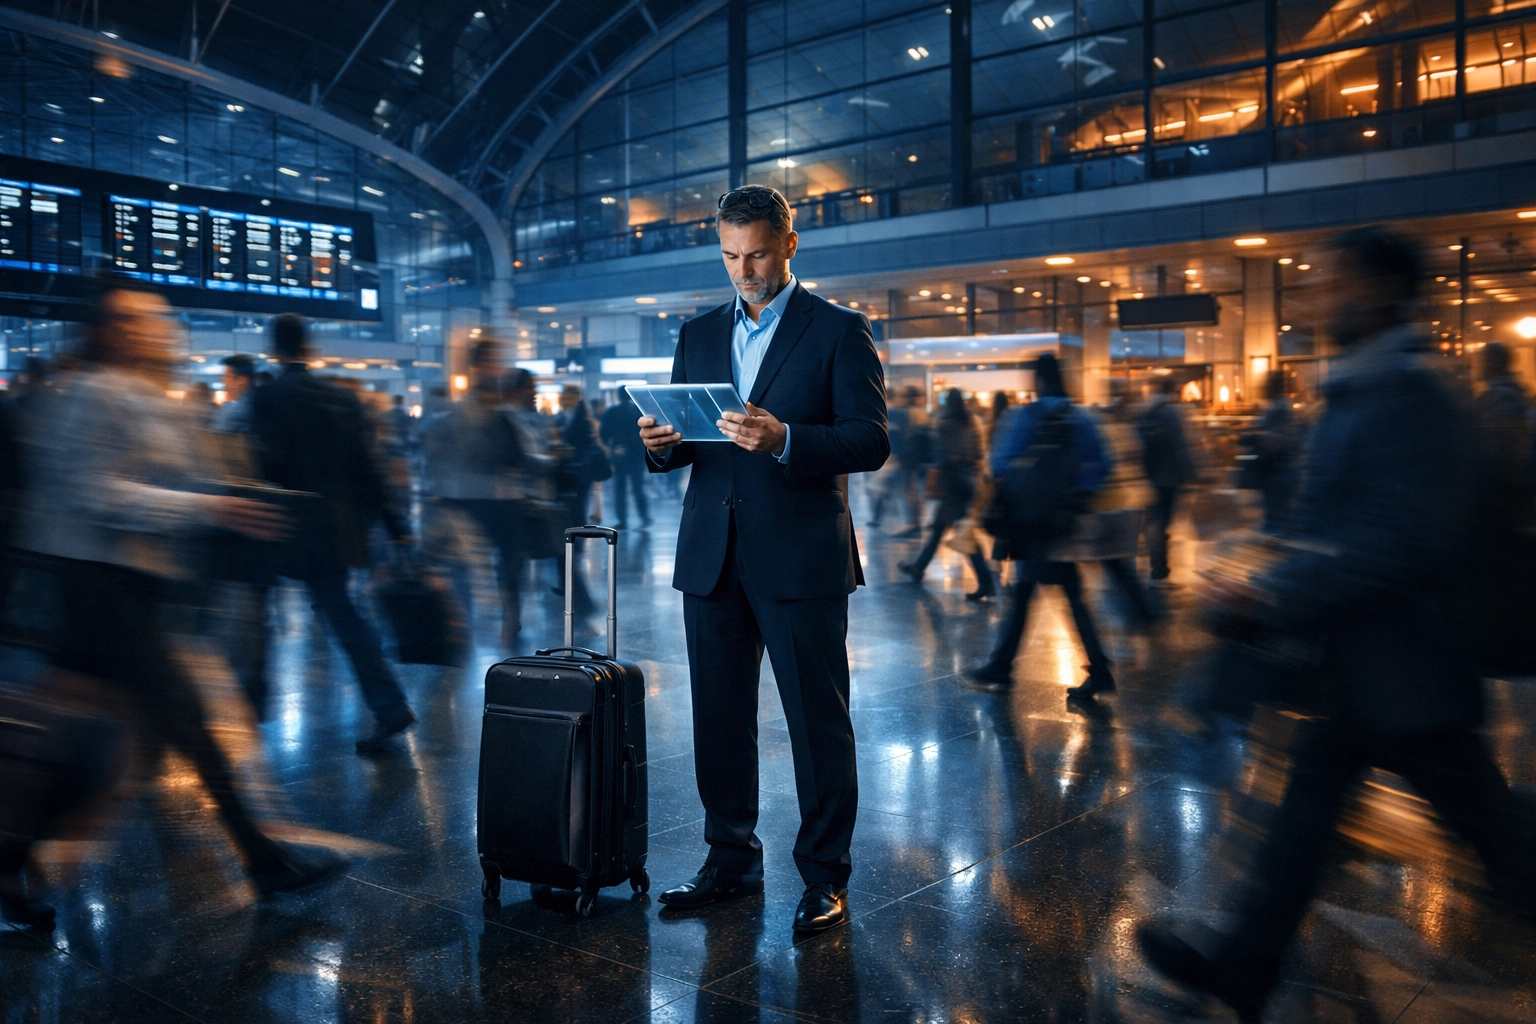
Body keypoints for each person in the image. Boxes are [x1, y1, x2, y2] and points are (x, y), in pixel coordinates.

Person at [1136, 226, 1536, 1024]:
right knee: (1309, 816)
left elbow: (1398, 539)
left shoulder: (1414, 395)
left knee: (1493, 835)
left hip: (1410, 662)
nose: (1322, 297)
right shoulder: (1366, 388)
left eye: (1338, 283)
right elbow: (1333, 522)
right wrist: (1259, 562)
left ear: (1383, 292)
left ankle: (1245, 965)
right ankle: (1244, 967)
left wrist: (1272, 593)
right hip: (1366, 663)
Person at [4, 284, 345, 927]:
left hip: (129, 585)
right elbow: (97, 493)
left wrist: (225, 498)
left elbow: (175, 480)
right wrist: (208, 506)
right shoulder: (92, 392)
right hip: (96, 583)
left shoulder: (151, 394)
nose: (160, 328)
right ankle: (260, 858)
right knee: (183, 717)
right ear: (111, 329)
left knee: (109, 734)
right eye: (142, 320)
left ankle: (9, 859)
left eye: (160, 319)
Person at [638, 184, 888, 934]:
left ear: (789, 245)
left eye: (756, 255)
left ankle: (824, 876)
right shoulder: (698, 332)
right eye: (730, 256)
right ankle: (730, 861)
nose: (743, 271)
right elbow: (690, 442)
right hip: (712, 554)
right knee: (718, 719)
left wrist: (786, 440)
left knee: (817, 724)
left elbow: (870, 440)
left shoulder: (839, 330)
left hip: (801, 556)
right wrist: (660, 446)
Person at [250, 313, 417, 754]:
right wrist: (396, 525)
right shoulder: (343, 398)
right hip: (334, 527)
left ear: (275, 350)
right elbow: (368, 466)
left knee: (254, 608)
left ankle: (251, 701)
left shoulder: (266, 397)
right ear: (309, 348)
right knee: (345, 616)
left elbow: (266, 463)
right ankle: (389, 705)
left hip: (282, 524)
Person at [967, 353, 1113, 699]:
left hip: (1029, 521)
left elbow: (999, 464)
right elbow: (1102, 465)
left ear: (1040, 381)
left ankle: (1002, 667)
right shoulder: (1081, 417)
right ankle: (1096, 670)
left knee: (1029, 593)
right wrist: (1076, 495)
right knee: (1059, 593)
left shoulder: (1024, 417)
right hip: (1064, 520)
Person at [422, 348, 543, 647]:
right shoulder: (468, 412)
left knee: (504, 564)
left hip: (497, 498)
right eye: (489, 361)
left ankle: (505, 620)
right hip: (476, 498)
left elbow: (520, 452)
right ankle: (477, 620)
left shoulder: (498, 412)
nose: (494, 367)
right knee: (475, 563)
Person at [898, 388, 996, 600]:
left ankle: (986, 581)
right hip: (968, 481)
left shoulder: (944, 424)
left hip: (952, 484)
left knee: (962, 534)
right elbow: (978, 453)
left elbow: (942, 457)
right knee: (943, 529)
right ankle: (918, 568)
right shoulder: (971, 422)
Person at [1138, 375, 1193, 585]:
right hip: (1169, 477)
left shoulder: (1147, 411)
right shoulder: (1170, 412)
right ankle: (1159, 570)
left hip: (1151, 477)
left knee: (1155, 522)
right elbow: (1181, 444)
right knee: (1162, 524)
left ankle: (1158, 567)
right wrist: (1191, 471)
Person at [600, 390, 650, 529]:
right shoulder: (638, 412)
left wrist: (612, 444)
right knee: (638, 487)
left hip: (619, 453)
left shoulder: (612, 412)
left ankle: (622, 520)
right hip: (636, 454)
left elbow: (603, 433)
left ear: (618, 396)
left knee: (619, 489)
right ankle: (644, 516)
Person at [213, 354, 258, 434]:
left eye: (226, 376)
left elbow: (215, 435)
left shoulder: (236, 412)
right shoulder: (259, 401)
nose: (222, 380)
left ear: (241, 380)